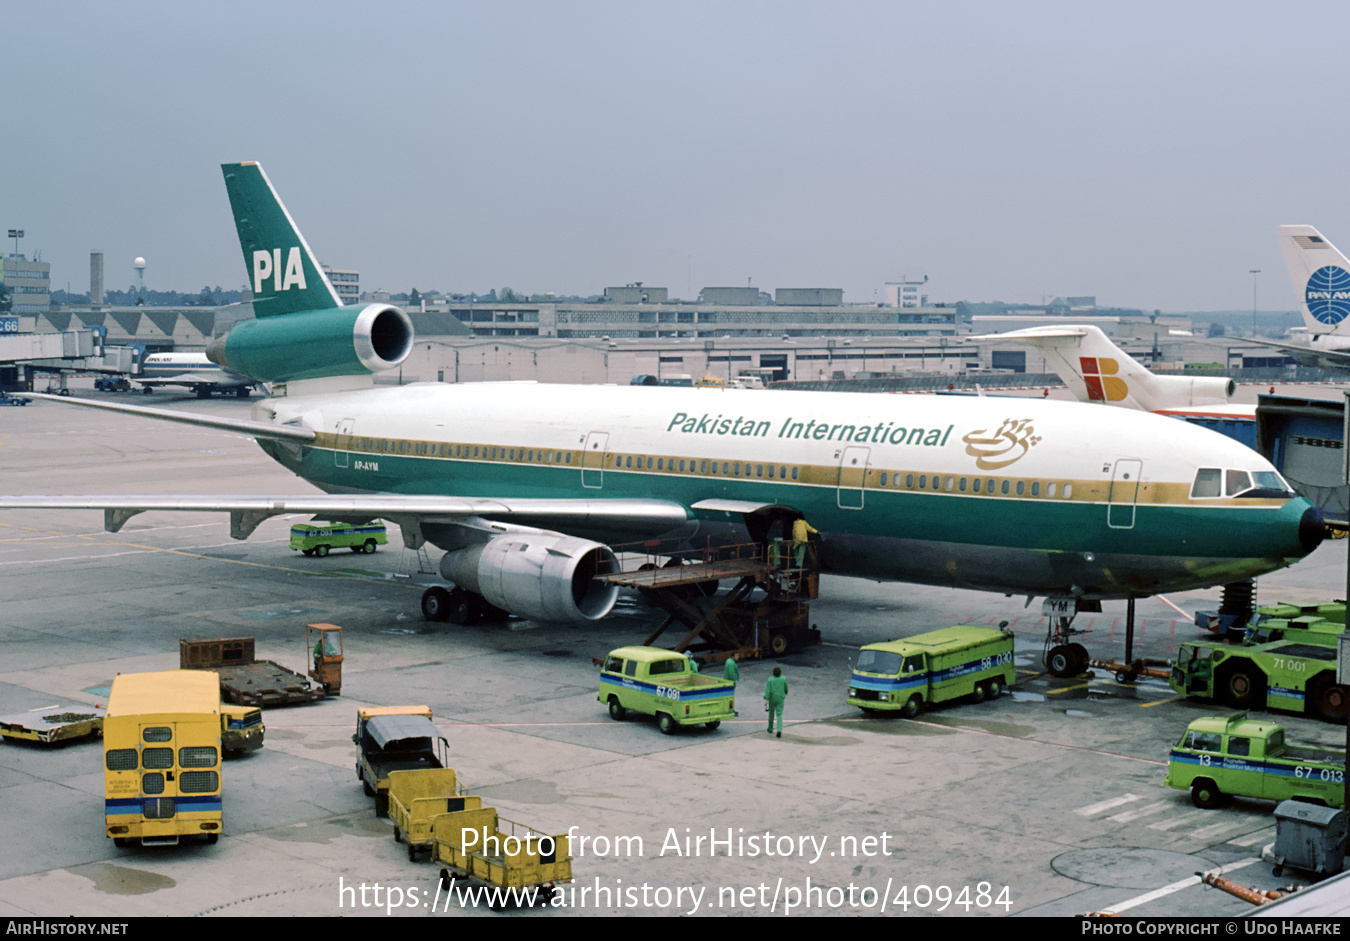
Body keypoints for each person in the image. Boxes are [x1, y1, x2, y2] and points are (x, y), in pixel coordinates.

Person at [764, 666, 788, 737]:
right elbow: (786, 688)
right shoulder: (783, 679)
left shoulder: (770, 680)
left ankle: (770, 728)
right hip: (780, 698)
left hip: (772, 698)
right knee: (779, 714)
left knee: (771, 714)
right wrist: (785, 692)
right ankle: (779, 730)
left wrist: (766, 699)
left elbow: (768, 690)